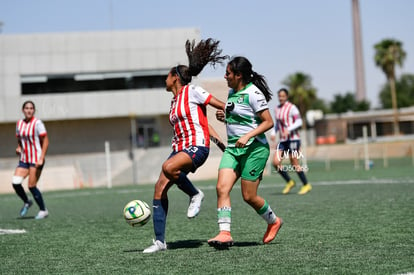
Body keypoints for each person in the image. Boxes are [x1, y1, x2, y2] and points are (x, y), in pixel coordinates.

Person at [143, 38, 227, 253]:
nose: (165, 79)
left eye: (167, 75)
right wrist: (221, 143)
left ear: (174, 78)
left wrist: (228, 113)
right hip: (180, 148)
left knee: (168, 168)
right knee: (159, 188)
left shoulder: (192, 91)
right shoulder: (174, 102)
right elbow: (203, 123)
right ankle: (160, 242)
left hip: (197, 147)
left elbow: (221, 105)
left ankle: (195, 194)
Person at [208, 56, 283, 248]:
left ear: (238, 75)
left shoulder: (253, 93)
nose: (225, 76)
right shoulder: (233, 91)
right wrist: (225, 117)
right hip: (233, 149)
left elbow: (268, 122)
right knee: (221, 188)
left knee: (249, 196)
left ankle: (274, 221)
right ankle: (224, 233)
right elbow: (241, 118)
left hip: (255, 150)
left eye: (228, 73)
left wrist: (248, 136)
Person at [12, 100, 49, 219]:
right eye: (27, 108)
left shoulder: (38, 123)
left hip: (35, 159)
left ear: (34, 110)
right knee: (16, 182)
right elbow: (20, 139)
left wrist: (41, 158)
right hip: (24, 159)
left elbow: (46, 141)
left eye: (31, 108)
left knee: (31, 186)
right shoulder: (19, 123)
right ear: (23, 110)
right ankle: (27, 202)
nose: (29, 110)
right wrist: (18, 147)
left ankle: (43, 210)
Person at [270, 88, 312, 195]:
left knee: (294, 163)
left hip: (293, 139)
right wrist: (274, 133)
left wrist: (289, 129)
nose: (281, 98)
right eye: (279, 96)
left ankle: (306, 184)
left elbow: (299, 121)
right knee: (275, 162)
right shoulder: (277, 109)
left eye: (283, 96)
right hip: (283, 141)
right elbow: (277, 124)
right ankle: (289, 182)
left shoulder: (292, 108)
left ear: (287, 97)